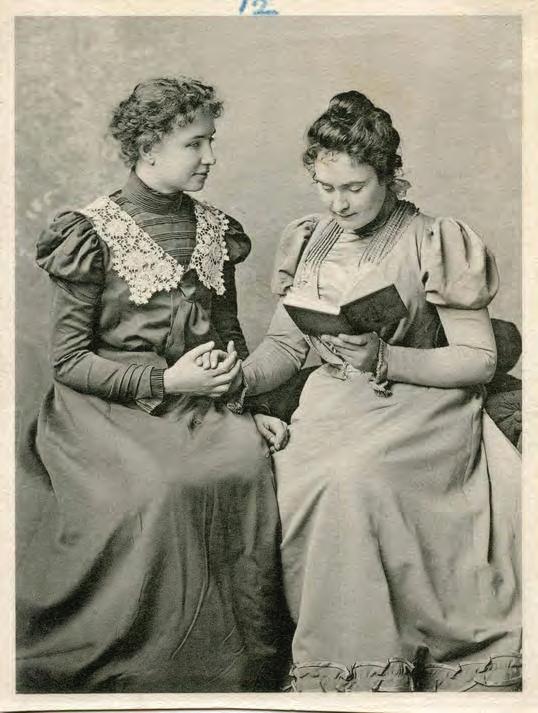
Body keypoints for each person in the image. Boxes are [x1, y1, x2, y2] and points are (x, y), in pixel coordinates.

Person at [240, 91, 522, 692]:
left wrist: (385, 357)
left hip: (423, 404)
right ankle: (333, 663)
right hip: (333, 403)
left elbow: (478, 360)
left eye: (355, 187)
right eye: (325, 187)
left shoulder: (434, 238)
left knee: (354, 477)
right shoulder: (309, 240)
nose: (338, 204)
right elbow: (285, 347)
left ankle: (370, 663)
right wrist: (236, 381)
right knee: (290, 474)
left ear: (389, 175)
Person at [16, 76, 289, 694]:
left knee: (248, 464)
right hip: (106, 406)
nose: (210, 156)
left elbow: (228, 331)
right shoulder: (90, 231)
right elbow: (69, 360)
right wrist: (165, 377)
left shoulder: (215, 228)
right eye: (196, 144)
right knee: (162, 487)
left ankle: (241, 666)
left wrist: (248, 401)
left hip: (199, 400)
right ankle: (157, 665)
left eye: (211, 141)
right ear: (148, 147)